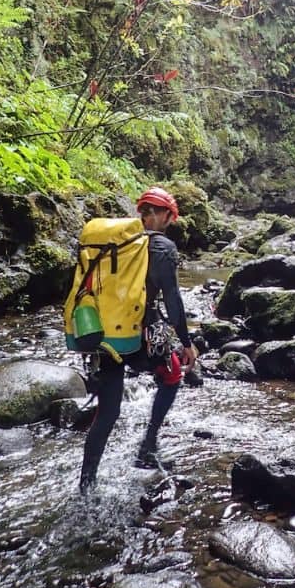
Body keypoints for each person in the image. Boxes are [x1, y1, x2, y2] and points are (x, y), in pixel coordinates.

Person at [79, 186, 197, 492]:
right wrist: (186, 342)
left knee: (108, 412)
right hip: (141, 332)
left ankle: (86, 483)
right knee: (171, 376)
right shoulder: (161, 248)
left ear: (141, 212)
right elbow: (172, 300)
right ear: (166, 215)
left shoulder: (112, 245)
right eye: (169, 217)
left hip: (102, 333)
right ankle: (148, 444)